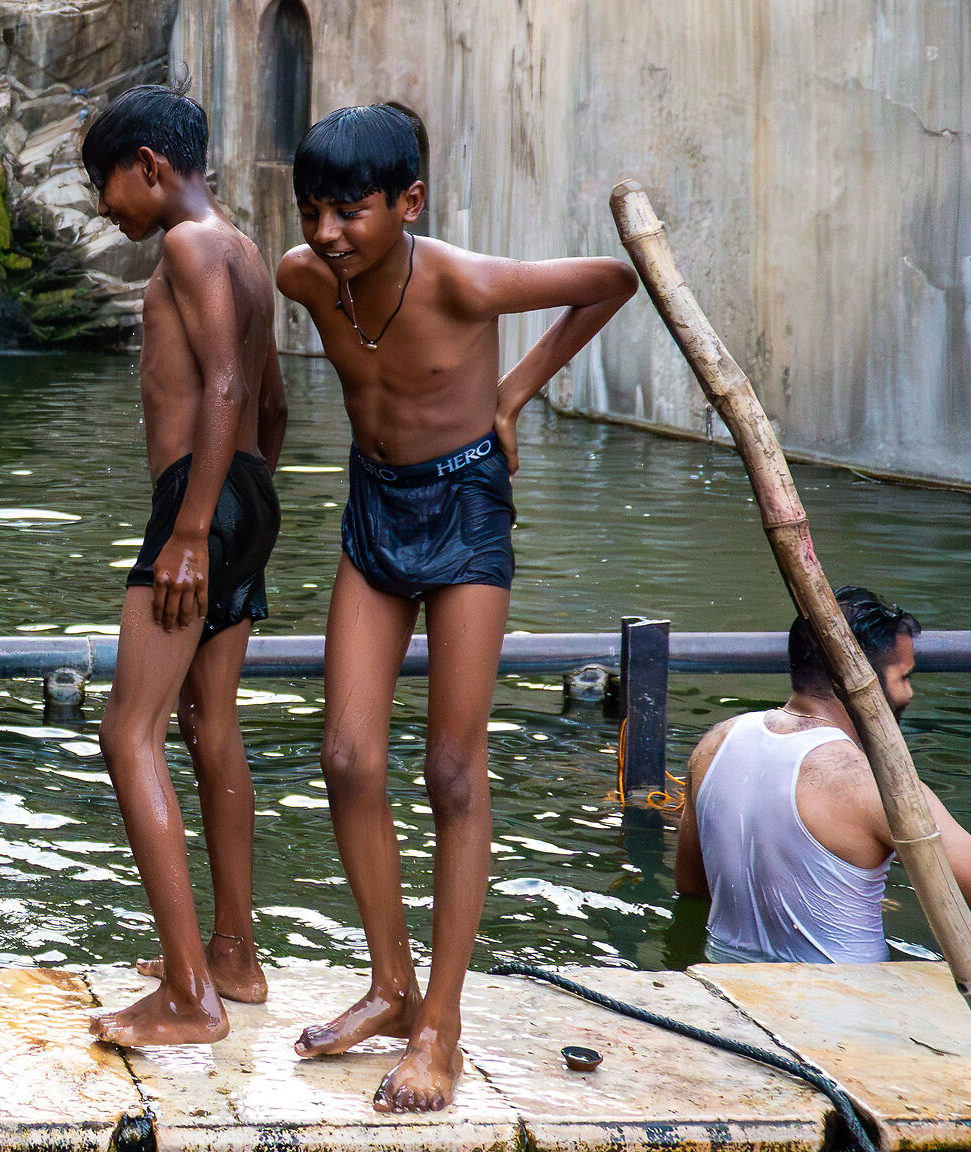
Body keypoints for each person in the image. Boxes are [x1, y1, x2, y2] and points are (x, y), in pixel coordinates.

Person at [276, 104, 636, 1113]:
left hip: (467, 506)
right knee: (346, 754)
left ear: (409, 202)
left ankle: (442, 1017)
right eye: (313, 211)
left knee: (450, 766)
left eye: (350, 211)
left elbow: (614, 280)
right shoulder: (302, 278)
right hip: (374, 507)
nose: (329, 233)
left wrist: (513, 394)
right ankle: (389, 987)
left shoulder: (467, 282)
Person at [77, 86, 287, 1047]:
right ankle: (234, 954)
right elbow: (271, 404)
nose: (101, 204)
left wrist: (195, 527)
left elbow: (227, 383)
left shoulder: (187, 245)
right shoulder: (242, 248)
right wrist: (243, 509)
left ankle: (190, 998)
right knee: (210, 723)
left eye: (104, 181)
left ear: (152, 166)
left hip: (200, 504)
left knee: (130, 732)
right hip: (246, 492)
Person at [677, 586, 971, 961]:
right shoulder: (875, 783)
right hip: (844, 1005)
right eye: (903, 677)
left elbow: (692, 886)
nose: (908, 693)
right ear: (856, 677)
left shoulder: (715, 743)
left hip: (727, 981)